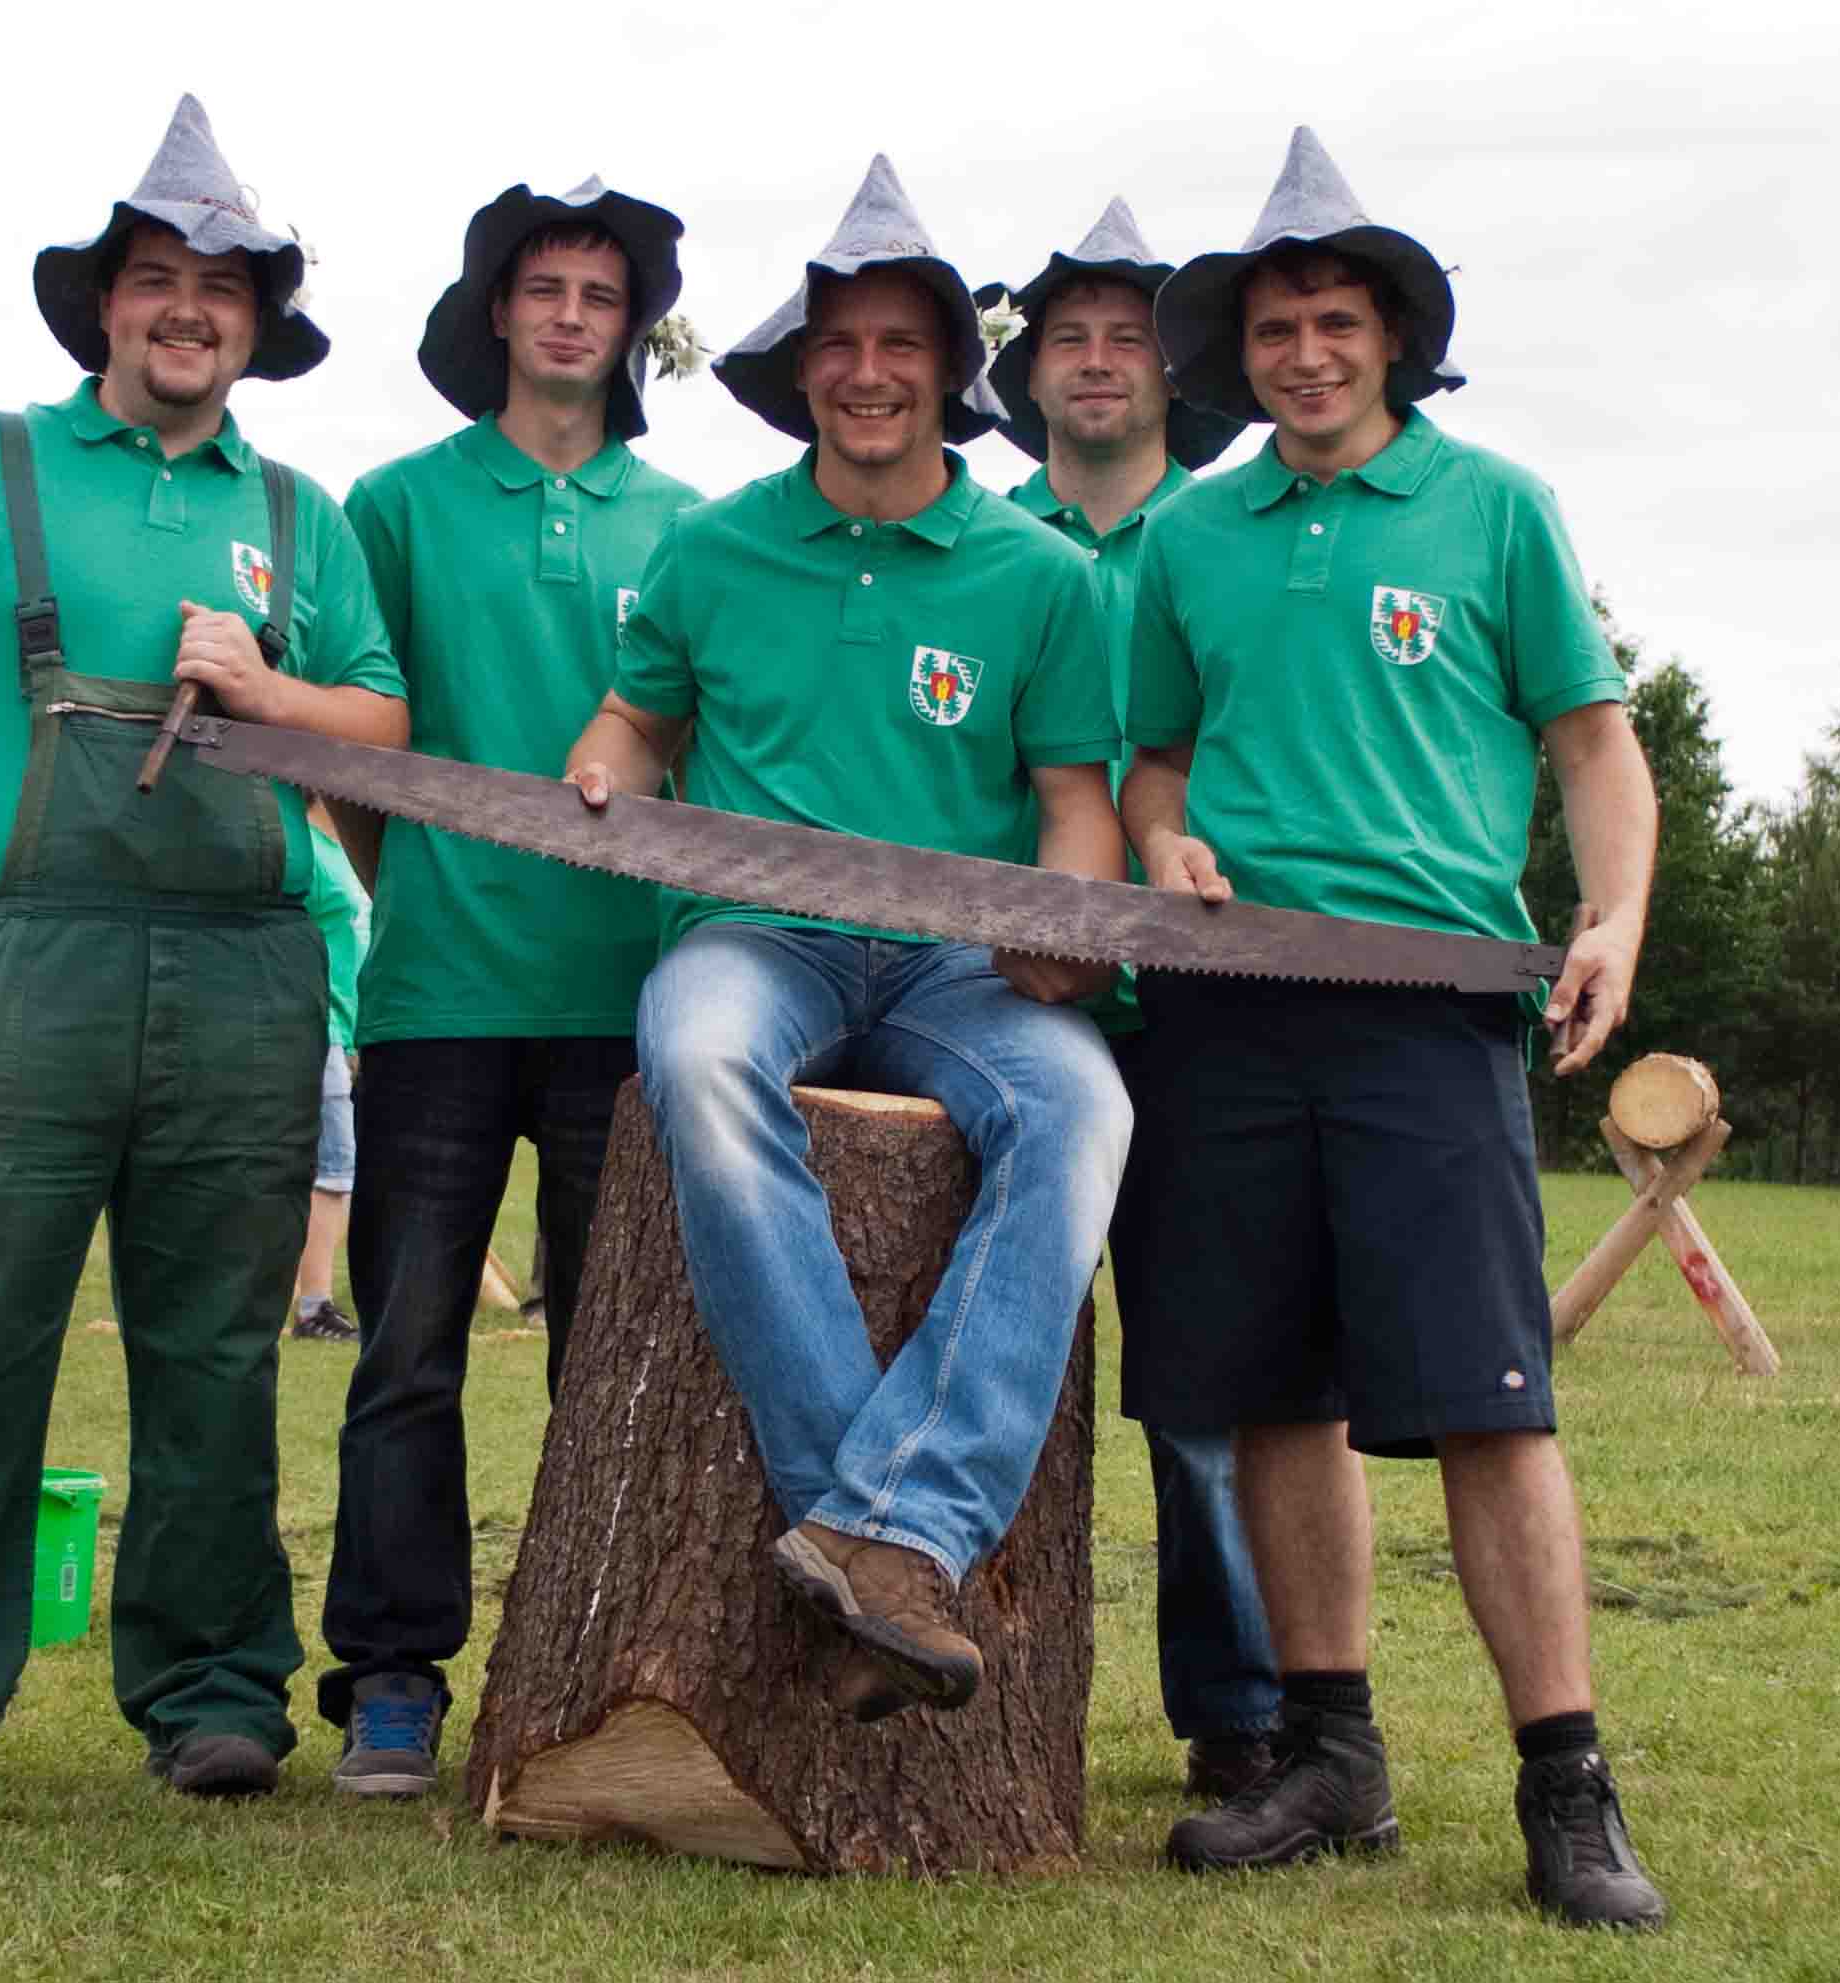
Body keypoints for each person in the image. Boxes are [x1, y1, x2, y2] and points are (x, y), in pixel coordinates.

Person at [0, 95, 407, 1807]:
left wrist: (270, 685)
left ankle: (213, 1692)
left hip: (245, 968)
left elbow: (376, 720)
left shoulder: (301, 508)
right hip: (9, 963)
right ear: (106, 307)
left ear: (258, 323)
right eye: (156, 277)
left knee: (215, 1346)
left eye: (221, 284)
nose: (188, 307)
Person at [1117, 127, 1670, 1928]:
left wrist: (1615, 919)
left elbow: (1592, 740)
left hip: (1434, 1005)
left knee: (1495, 1407)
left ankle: (1567, 1784)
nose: (1305, 351)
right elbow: (1151, 755)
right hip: (1227, 1002)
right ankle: (1330, 1754)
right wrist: (1159, 838)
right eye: (1274, 325)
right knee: (1275, 1395)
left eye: (1336, 319)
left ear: (1393, 334)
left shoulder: (1495, 507)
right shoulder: (1188, 532)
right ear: (1242, 351)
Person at [564, 156, 1131, 1722]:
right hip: (758, 934)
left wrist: (1065, 928)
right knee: (692, 1050)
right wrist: (603, 768)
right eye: (840, 345)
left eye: (902, 346)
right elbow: (633, 715)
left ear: (952, 373)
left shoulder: (1043, 574)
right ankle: (877, 1540)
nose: (868, 373)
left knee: (1083, 1107)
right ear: (799, 368)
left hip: (963, 966)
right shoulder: (712, 549)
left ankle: (893, 1525)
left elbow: (1074, 801)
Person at [317, 176, 701, 1797]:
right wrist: (426, 886)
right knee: (407, 1346)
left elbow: (694, 741)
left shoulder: (689, 525)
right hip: (436, 995)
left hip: (628, 997)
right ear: (498, 314)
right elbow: (360, 732)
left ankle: (591, 1665)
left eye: (597, 295)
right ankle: (392, 1675)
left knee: (605, 1365)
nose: (566, 314)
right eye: (540, 287)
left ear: (630, 329)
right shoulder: (394, 503)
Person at [977, 200, 1280, 1801]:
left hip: (1189, 1018)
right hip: (998, 1007)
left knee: (1200, 1376)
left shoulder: (1229, 540)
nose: (1095, 362)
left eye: (1127, 336)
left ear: (1173, 372)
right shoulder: (967, 534)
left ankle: (1239, 1707)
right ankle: (954, 1674)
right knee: (983, 1351)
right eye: (1064, 336)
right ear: (1022, 371)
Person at [291, 797, 369, 1343]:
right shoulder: (309, 854)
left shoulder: (343, 849)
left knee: (334, 1170)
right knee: (333, 1169)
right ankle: (313, 1308)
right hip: (314, 1024)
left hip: (343, 1028)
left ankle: (306, 1302)